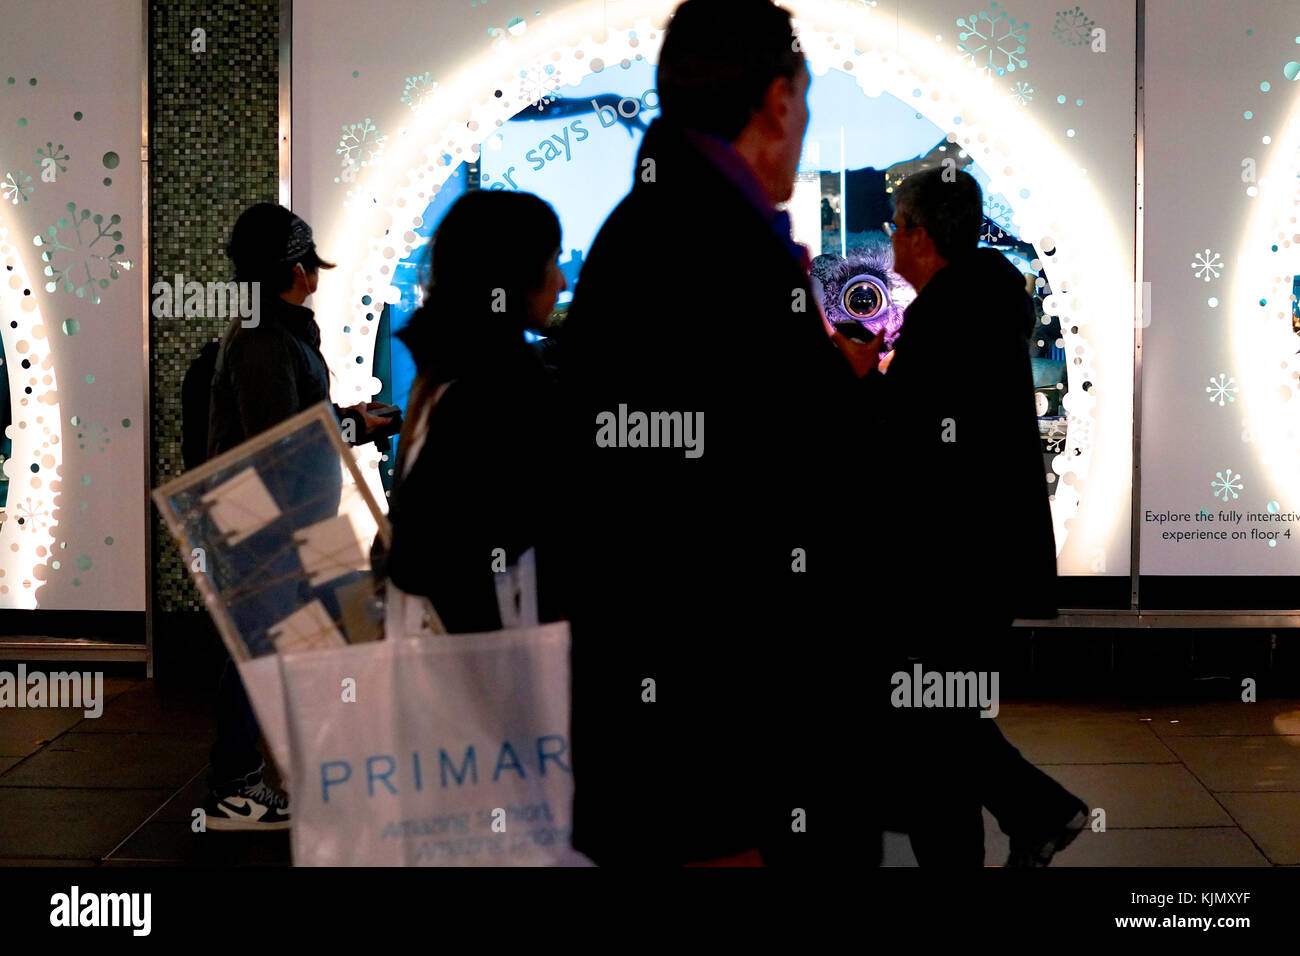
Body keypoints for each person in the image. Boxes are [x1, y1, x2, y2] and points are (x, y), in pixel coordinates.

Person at [558, 0, 881, 866]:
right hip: (717, 736)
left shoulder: (659, 225)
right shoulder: (713, 242)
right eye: (805, 104)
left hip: (684, 722)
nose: (806, 128)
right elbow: (725, 510)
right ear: (777, 100)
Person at [874, 166, 1088, 865]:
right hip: (976, 564)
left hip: (949, 567)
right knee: (942, 719)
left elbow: (913, 439)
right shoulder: (983, 303)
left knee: (935, 722)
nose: (890, 242)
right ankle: (1032, 817)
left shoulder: (949, 318)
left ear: (921, 235)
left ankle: (1041, 811)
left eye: (896, 228)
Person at [202, 203, 394, 830]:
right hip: (266, 523)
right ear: (293, 270)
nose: (317, 274)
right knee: (259, 647)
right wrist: (353, 424)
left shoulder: (280, 332)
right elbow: (279, 440)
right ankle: (233, 787)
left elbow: (296, 420)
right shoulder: (261, 340)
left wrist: (351, 420)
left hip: (293, 516)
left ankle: (296, 769)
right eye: (310, 264)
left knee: (290, 643)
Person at [382, 190, 567, 633]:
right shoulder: (496, 391)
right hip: (492, 669)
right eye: (552, 260)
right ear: (517, 273)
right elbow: (428, 555)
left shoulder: (448, 373)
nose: (561, 281)